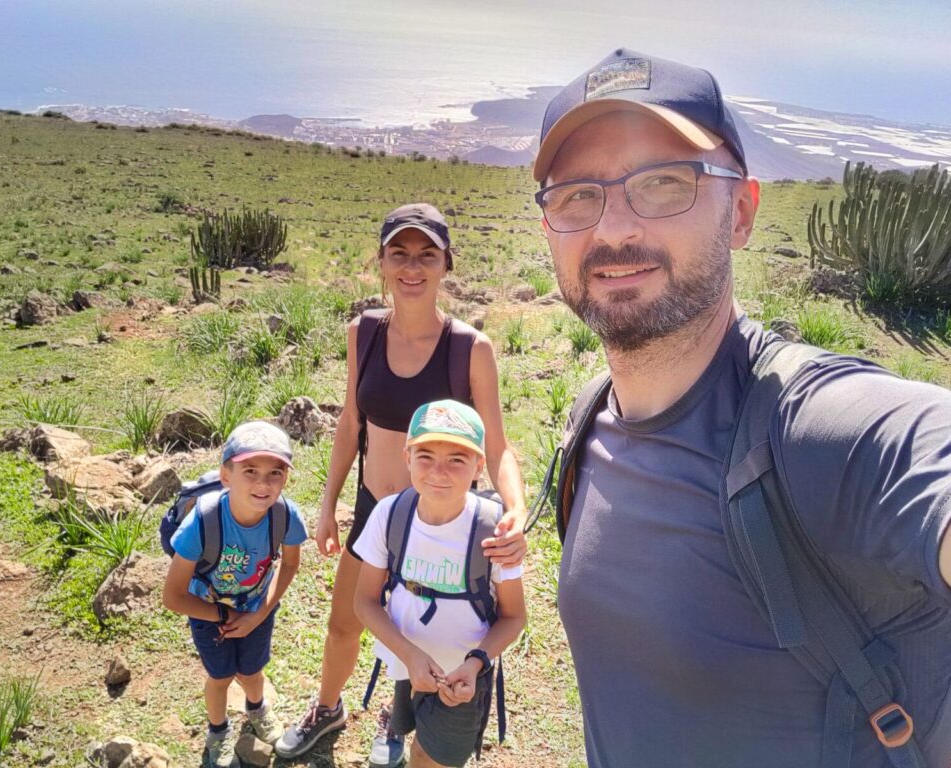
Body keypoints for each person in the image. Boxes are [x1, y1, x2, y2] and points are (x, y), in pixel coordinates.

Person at [533, 48, 951, 767]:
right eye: (578, 194)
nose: (613, 230)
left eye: (663, 183)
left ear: (742, 212)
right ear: (549, 229)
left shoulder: (818, 432)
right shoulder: (590, 421)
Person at [274, 203, 528, 766]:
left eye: (426, 255)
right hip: (374, 512)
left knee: (429, 627)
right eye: (400, 254)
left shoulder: (468, 349)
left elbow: (498, 444)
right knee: (346, 622)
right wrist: (329, 505)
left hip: (441, 516)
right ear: (382, 263)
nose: (412, 267)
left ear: (445, 265)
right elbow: (349, 423)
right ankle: (328, 707)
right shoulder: (362, 334)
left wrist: (515, 508)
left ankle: (400, 715)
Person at [353, 399, 527, 768]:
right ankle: (398, 720)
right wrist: (410, 656)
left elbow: (513, 617)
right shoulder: (390, 515)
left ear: (479, 465)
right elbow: (365, 601)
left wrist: (477, 662)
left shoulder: (494, 532)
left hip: (463, 681)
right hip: (405, 664)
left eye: (457, 460)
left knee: (429, 760)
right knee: (410, 724)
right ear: (407, 457)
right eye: (426, 456)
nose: (438, 472)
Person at [162, 421, 308, 768]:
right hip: (209, 610)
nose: (263, 483)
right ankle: (218, 729)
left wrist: (256, 615)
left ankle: (257, 709)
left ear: (285, 478)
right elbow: (173, 597)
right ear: (226, 475)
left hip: (257, 606)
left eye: (275, 472)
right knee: (221, 677)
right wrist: (226, 617)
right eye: (250, 470)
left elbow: (288, 566)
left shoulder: (286, 515)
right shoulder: (203, 521)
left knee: (254, 669)